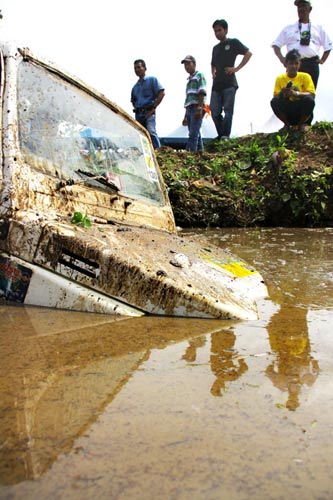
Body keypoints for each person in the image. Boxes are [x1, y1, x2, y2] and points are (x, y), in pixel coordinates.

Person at [272, 0, 332, 89]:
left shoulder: (318, 28)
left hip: (312, 63)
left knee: (309, 94)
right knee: (291, 92)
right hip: (293, 64)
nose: (301, 9)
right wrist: (282, 59)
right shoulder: (289, 28)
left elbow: (328, 46)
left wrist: (322, 60)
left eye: (303, 6)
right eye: (299, 7)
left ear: (310, 9)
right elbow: (276, 45)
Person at [210, 19, 252, 140]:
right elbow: (212, 63)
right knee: (214, 111)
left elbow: (248, 53)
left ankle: (225, 135)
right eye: (215, 31)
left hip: (229, 82)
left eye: (219, 30)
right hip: (217, 83)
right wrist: (213, 73)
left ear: (226, 30)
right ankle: (221, 133)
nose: (217, 33)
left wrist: (236, 68)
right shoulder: (215, 48)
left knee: (228, 110)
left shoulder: (233, 42)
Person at [271, 49, 315, 132]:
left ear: (299, 64)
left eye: (296, 63)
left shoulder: (305, 76)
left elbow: (312, 94)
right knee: (274, 101)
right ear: (286, 64)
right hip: (288, 110)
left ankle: (301, 124)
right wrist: (283, 94)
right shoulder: (280, 78)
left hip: (300, 109)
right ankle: (287, 125)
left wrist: (296, 94)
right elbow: (275, 96)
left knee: (309, 100)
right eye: (291, 63)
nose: (294, 66)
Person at [131, 59, 165, 149]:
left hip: (149, 112)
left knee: (151, 131)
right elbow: (133, 100)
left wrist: (153, 107)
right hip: (139, 114)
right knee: (141, 134)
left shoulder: (152, 80)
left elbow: (162, 93)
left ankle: (158, 152)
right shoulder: (135, 87)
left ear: (145, 68)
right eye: (135, 68)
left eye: (139, 67)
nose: (137, 70)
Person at [181, 55, 207, 152]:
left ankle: (191, 153)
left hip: (197, 106)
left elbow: (202, 92)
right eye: (185, 64)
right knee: (195, 131)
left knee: (193, 133)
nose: (186, 66)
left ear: (194, 64)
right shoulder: (189, 81)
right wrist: (185, 116)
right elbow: (189, 99)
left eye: (188, 63)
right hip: (189, 108)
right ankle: (200, 152)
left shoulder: (199, 75)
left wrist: (200, 108)